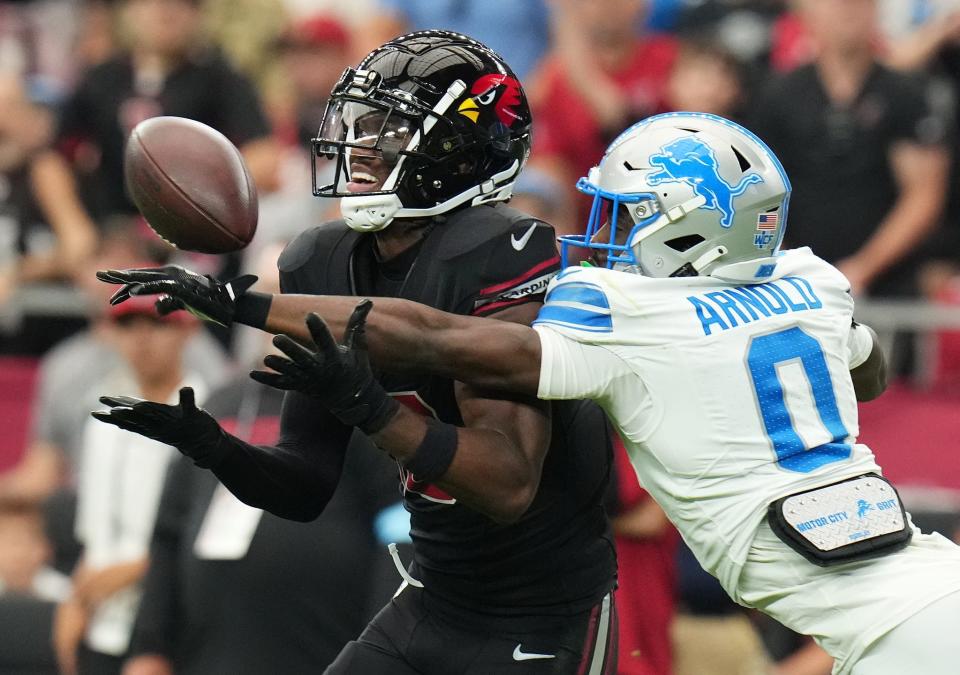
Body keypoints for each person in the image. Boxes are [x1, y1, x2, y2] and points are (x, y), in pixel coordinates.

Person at [132, 111, 960, 675]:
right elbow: (870, 371)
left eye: (632, 213)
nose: (608, 233)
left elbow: (436, 338)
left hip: (884, 633)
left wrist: (243, 300)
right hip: (932, 584)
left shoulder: (624, 313)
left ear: (690, 225)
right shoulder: (811, 282)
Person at [95, 31, 619, 675]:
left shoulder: (504, 251)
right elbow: (307, 482)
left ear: (460, 150)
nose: (360, 145)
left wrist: (361, 400)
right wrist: (214, 447)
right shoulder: (321, 260)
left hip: (545, 612)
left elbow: (508, 482)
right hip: (435, 594)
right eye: (359, 122)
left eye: (388, 130)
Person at [749, 0, 951, 298]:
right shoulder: (779, 96)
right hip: (795, 283)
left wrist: (863, 268)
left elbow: (924, 194)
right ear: (807, 13)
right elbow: (758, 192)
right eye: (835, 4)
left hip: (889, 285)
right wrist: (786, 265)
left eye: (858, 4)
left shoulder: (905, 93)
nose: (846, 12)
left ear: (875, 10)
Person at [57, 296, 204, 675]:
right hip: (104, 622)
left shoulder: (210, 416)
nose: (141, 339)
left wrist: (133, 570)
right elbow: (94, 535)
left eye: (157, 324)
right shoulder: (103, 417)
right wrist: (74, 602)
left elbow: (202, 537)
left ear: (188, 331)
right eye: (127, 326)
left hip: (175, 625)